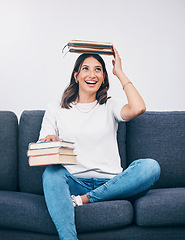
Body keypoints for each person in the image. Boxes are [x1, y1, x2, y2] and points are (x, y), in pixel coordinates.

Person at [39, 46, 161, 240]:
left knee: (150, 167)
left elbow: (138, 108)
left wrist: (119, 72)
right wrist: (49, 140)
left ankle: (85, 200)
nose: (92, 74)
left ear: (104, 77)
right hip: (74, 182)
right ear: (76, 74)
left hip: (113, 182)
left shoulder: (110, 104)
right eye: (86, 69)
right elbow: (43, 143)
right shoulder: (55, 109)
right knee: (52, 173)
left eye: (98, 70)